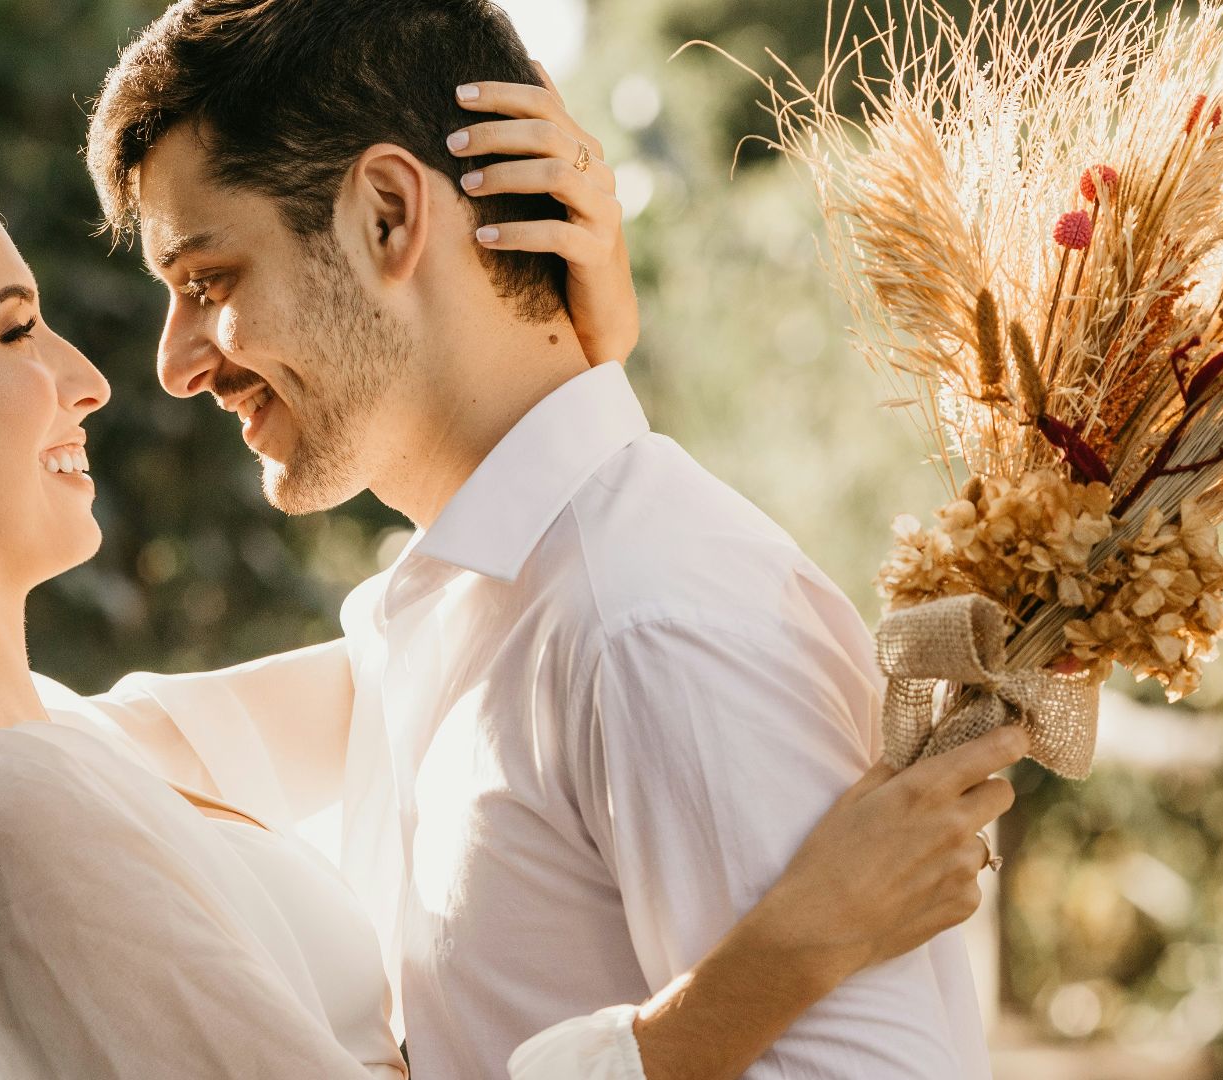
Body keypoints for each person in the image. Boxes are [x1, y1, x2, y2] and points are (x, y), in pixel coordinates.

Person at [0, 123, 1013, 1080]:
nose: (94, 376)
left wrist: (557, 369)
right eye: (16, 329)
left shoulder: (63, 753)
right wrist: (757, 980)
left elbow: (420, 650)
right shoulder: (0, 818)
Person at [70, 1, 1018, 1076]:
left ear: (387, 215)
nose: (175, 362)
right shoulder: (435, 616)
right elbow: (83, 757)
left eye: (208, 281)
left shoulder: (652, 623)